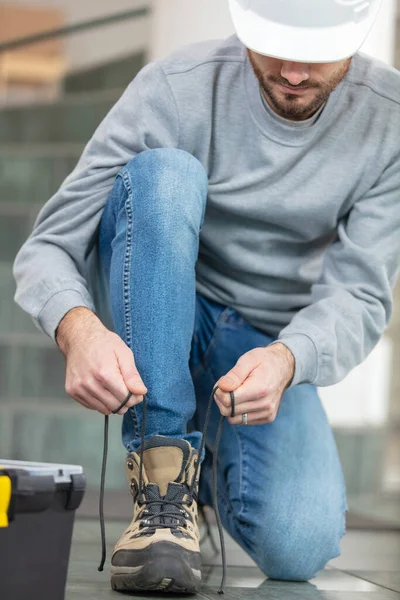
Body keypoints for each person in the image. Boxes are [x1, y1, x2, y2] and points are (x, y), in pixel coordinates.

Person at [13, 0, 400, 594]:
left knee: (299, 544)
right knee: (166, 175)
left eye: (316, 56)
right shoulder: (175, 87)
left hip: (262, 346)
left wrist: (287, 358)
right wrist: (79, 329)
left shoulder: (389, 120)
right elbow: (47, 246)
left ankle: (204, 478)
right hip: (163, 305)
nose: (294, 72)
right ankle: (165, 486)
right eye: (276, 47)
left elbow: (361, 294)